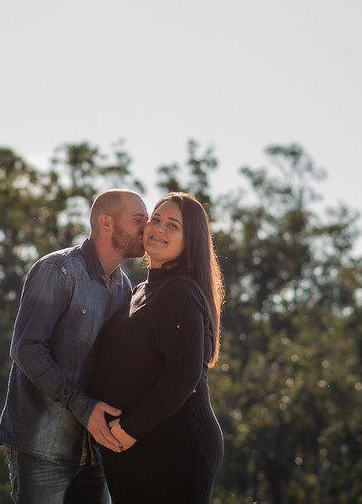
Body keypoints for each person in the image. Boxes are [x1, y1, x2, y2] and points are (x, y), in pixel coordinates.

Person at [0, 189, 149, 504]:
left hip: (94, 452)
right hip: (40, 447)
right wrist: (83, 406)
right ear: (106, 223)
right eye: (138, 220)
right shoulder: (57, 270)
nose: (146, 229)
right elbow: (26, 347)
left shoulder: (125, 288)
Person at [87, 192, 225, 504]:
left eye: (173, 225)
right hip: (135, 448)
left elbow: (184, 373)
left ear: (191, 240)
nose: (159, 228)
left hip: (172, 447)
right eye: (156, 219)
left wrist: (128, 430)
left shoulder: (179, 291)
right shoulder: (140, 290)